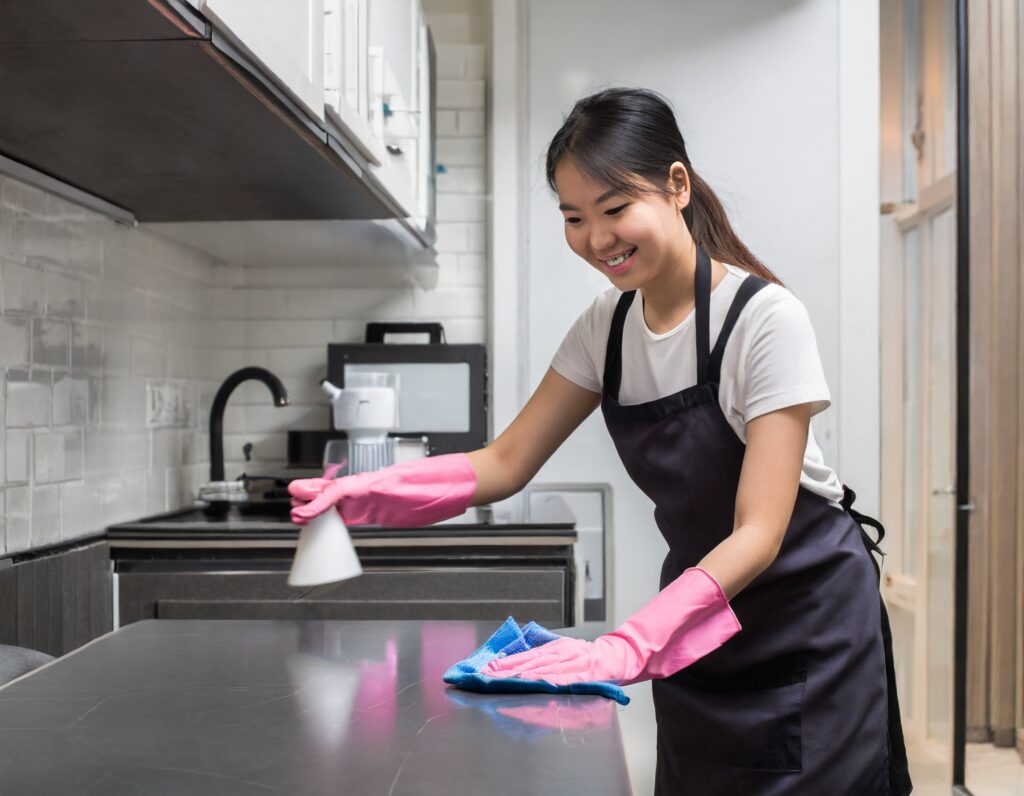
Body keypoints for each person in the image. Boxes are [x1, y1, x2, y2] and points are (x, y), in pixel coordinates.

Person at [288, 87, 913, 796]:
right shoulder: (606, 329)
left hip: (806, 623)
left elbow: (759, 532)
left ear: (677, 186)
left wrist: (628, 643)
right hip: (699, 627)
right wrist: (365, 494)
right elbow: (504, 462)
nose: (596, 239)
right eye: (574, 218)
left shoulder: (764, 319)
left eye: (615, 210)